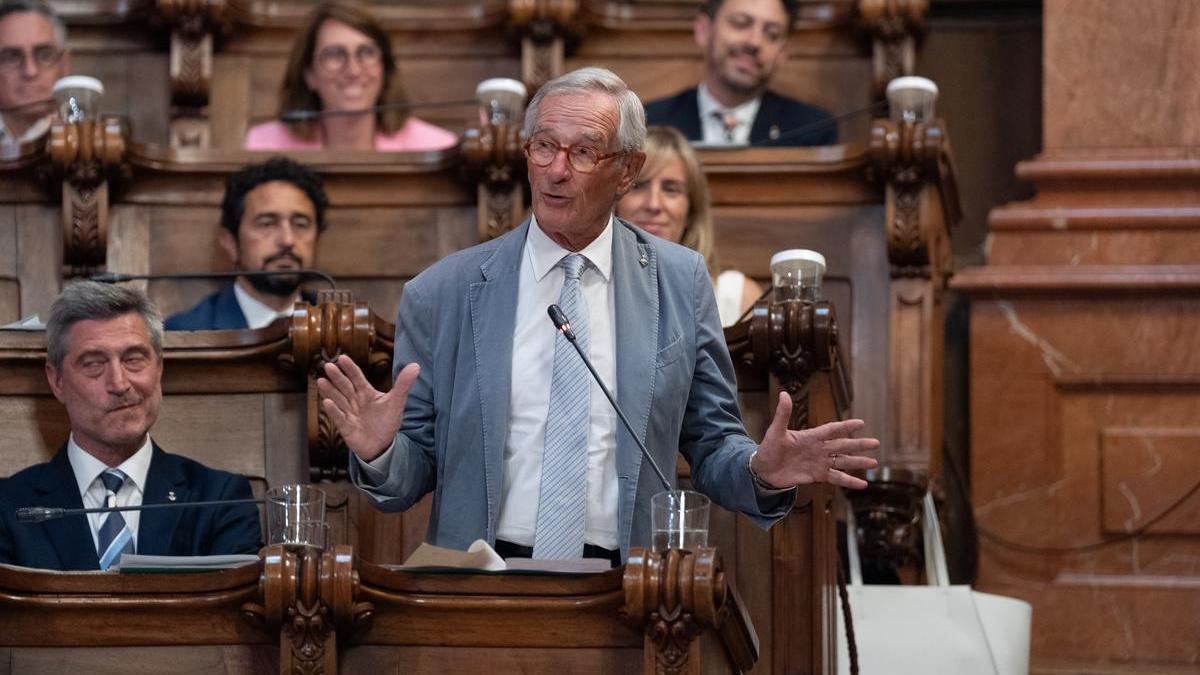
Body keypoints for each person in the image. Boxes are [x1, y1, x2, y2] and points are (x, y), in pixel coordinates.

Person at [318, 67, 877, 564]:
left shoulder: (679, 281)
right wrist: (379, 450)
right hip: (482, 584)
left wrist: (762, 470)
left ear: (628, 169)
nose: (556, 171)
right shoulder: (443, 291)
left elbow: (710, 443)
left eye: (583, 152)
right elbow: (405, 480)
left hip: (629, 587)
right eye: (543, 147)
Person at [0, 282, 262, 571]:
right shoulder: (9, 508)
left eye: (134, 360)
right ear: (57, 381)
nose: (120, 384)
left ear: (159, 368)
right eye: (94, 364)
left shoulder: (218, 500)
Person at [244, 1, 456, 152]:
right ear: (309, 74)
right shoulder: (264, 147)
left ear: (384, 67)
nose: (353, 70)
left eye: (366, 53)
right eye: (335, 54)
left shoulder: (436, 149)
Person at [616, 125, 762, 326]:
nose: (653, 204)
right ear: (614, 201)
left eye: (671, 189)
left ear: (692, 210)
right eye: (638, 186)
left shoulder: (737, 297)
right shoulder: (593, 285)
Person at [165, 157, 328, 331]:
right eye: (267, 224)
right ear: (230, 243)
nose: (287, 240)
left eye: (300, 225)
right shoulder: (185, 333)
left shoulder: (345, 328)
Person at [643, 0, 836, 147]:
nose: (754, 42)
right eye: (741, 23)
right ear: (704, 30)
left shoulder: (812, 131)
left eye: (772, 34)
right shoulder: (649, 124)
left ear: (782, 53)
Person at [0, 1, 69, 148]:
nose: (30, 72)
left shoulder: (90, 142)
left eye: (44, 55)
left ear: (64, 64)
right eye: (12, 57)